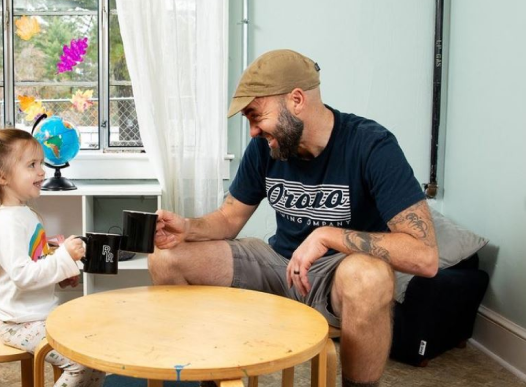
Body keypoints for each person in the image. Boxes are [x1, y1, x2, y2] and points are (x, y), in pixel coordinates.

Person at [149, 50, 439, 387]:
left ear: (297, 100)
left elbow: (425, 256)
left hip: (338, 274)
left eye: (256, 116)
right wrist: (188, 228)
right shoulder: (266, 148)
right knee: (166, 259)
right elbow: (229, 218)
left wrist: (327, 236)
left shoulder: (371, 146)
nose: (253, 131)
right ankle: (213, 378)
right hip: (277, 265)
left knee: (369, 276)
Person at [0, 129, 104, 387]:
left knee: (93, 347)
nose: (42, 171)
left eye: (40, 163)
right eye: (32, 165)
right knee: (82, 361)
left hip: (37, 315)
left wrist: (61, 270)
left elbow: (35, 262)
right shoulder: (6, 222)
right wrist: (64, 258)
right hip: (19, 323)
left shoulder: (22, 213)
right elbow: (23, 276)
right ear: (1, 176)